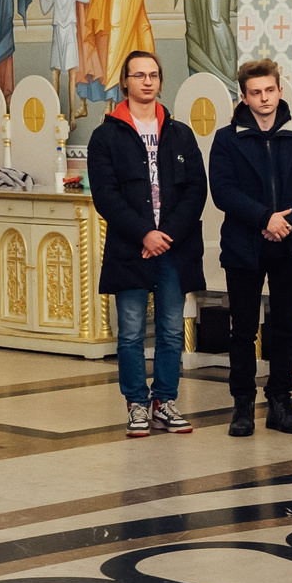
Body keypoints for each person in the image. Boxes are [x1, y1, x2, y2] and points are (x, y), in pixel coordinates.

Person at [89, 51, 206, 437]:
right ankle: (137, 403)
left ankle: (165, 401)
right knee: (132, 330)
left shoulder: (179, 132)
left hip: (174, 247)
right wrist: (144, 234)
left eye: (154, 75)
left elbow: (195, 191)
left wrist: (165, 235)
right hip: (130, 247)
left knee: (172, 328)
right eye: (139, 75)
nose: (147, 82)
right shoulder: (106, 134)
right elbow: (106, 196)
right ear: (124, 82)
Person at [210, 59, 292, 437]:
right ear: (243, 97)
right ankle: (242, 406)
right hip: (246, 245)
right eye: (256, 92)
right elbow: (224, 191)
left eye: (270, 90)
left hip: (290, 245)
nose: (264, 98)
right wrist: (265, 219)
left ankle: (280, 402)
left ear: (280, 90)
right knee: (243, 329)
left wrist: (287, 221)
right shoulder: (228, 139)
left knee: (285, 329)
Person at [37, 0, 90, 111]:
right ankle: (55, 112)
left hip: (69, 33)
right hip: (57, 32)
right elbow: (45, 8)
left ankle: (71, 113)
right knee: (56, 74)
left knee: (72, 74)